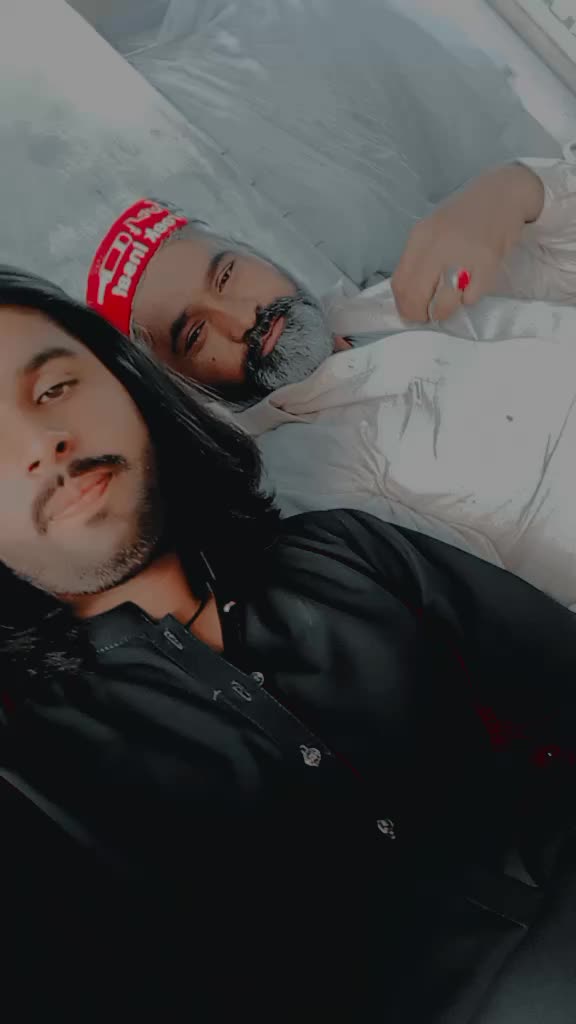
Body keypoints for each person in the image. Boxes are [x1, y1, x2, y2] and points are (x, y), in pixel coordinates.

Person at [4, 266, 576, 1019]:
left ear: (127, 383)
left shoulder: (341, 549)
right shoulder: (35, 782)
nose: (41, 444)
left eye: (53, 389)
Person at [86, 159, 576, 609]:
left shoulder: (397, 297)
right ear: (184, 388)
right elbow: (498, 610)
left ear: (254, 252)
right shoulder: (305, 481)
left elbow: (561, 265)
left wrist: (515, 189)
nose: (242, 318)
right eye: (195, 335)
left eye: (227, 275)